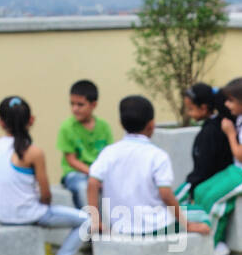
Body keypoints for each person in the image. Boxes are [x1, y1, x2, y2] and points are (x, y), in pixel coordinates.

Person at [0, 96, 90, 255]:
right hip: (29, 214)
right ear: (31, 120)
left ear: (1, 123)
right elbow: (46, 194)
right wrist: (42, 204)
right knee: (88, 221)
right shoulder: (34, 152)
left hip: (2, 214)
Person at [85, 96, 209, 237]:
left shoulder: (108, 152)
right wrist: (186, 225)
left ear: (120, 124)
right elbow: (165, 194)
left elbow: (92, 182)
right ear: (151, 125)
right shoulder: (158, 156)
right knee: (201, 214)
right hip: (156, 228)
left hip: (120, 228)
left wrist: (95, 220)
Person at [186, 77, 242, 249]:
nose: (226, 105)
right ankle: (198, 236)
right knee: (201, 190)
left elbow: (241, 155)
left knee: (214, 198)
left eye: (230, 101)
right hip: (241, 170)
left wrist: (229, 133)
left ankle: (209, 245)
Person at [55, 80, 113, 210]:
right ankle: (89, 221)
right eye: (72, 104)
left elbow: (108, 156)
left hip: (99, 172)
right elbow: (71, 160)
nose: (75, 109)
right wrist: (94, 173)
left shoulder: (104, 127)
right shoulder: (67, 127)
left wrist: (102, 175)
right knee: (83, 187)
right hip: (75, 173)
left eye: (80, 105)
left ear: (93, 105)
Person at [175, 83, 234, 201]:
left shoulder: (211, 132)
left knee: (171, 205)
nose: (188, 113)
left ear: (203, 108)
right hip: (207, 184)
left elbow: (205, 168)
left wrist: (191, 186)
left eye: (190, 109)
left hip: (206, 186)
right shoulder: (214, 125)